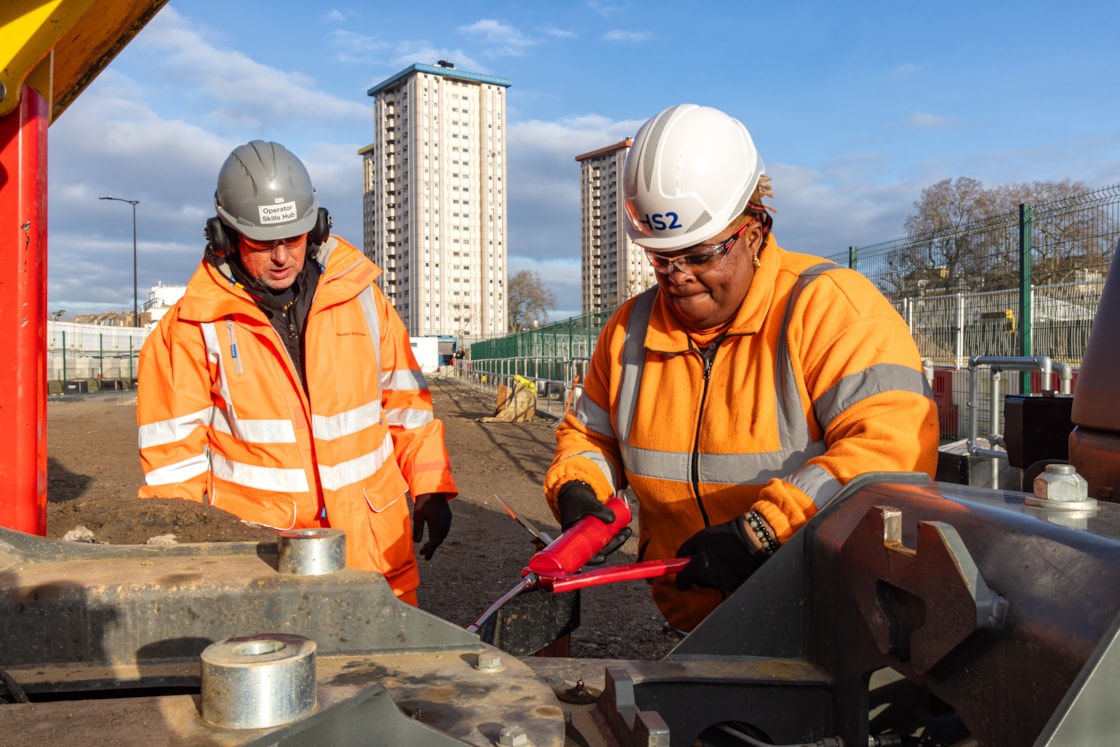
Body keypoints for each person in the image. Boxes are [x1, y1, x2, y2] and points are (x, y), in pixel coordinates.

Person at [543, 104, 939, 632]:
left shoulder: (832, 310)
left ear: (753, 231)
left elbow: (889, 455)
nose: (677, 275)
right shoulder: (628, 330)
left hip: (817, 627)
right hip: (688, 623)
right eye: (662, 258)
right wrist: (578, 484)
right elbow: (590, 437)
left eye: (701, 254)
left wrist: (762, 532)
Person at [136, 140, 457, 606]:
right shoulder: (189, 330)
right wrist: (187, 571)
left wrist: (430, 487)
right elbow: (174, 470)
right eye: (263, 243)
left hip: (373, 554)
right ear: (224, 238)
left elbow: (406, 405)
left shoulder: (364, 299)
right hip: (264, 568)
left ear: (318, 227)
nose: (282, 255)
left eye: (294, 237)